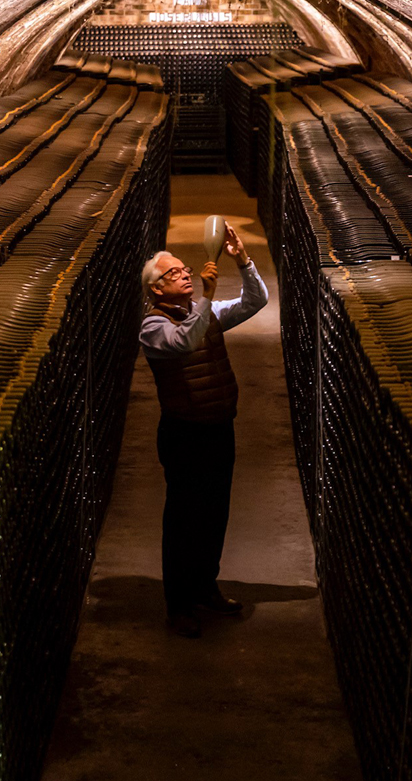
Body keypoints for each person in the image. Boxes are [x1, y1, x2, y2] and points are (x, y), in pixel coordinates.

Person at [139, 224, 268, 638]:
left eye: (185, 268)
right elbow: (185, 343)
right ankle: (179, 604)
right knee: (183, 520)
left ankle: (205, 586)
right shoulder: (153, 327)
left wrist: (242, 259)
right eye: (174, 273)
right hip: (184, 433)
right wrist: (208, 297)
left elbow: (255, 302)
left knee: (214, 514)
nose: (185, 275)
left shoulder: (204, 312)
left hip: (217, 426)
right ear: (157, 290)